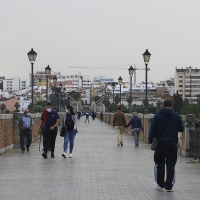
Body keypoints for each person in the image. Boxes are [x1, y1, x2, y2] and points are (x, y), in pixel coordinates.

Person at [148, 100, 184, 192]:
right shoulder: (176, 116)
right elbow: (181, 128)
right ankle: (169, 185)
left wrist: (150, 140)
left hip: (160, 143)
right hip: (172, 143)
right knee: (171, 164)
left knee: (159, 163)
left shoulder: (157, 115)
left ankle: (160, 183)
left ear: (163, 106)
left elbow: (152, 129)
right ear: (172, 106)